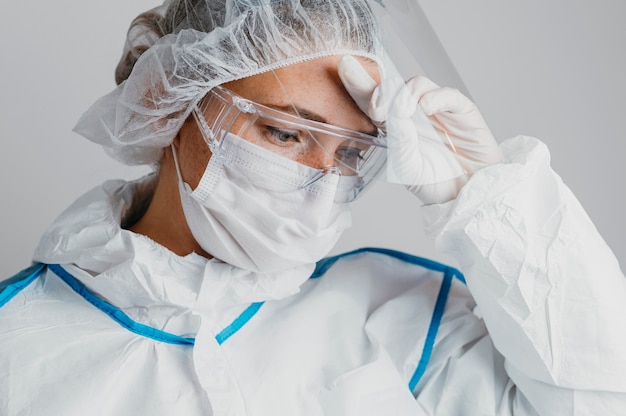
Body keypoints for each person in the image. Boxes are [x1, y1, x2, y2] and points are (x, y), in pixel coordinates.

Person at [0, 0, 624, 414]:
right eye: (285, 134)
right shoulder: (20, 346)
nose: (320, 184)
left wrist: (488, 202)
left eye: (350, 155)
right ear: (170, 100)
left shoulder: (399, 315)